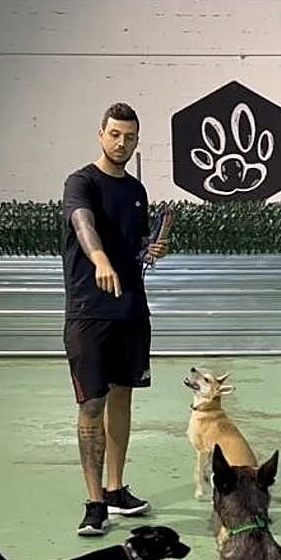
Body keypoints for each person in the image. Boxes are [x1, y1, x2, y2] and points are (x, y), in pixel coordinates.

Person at [60, 102, 169, 536]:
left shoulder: (137, 190)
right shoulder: (81, 183)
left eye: (130, 137)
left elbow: (135, 244)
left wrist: (149, 249)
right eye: (115, 134)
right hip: (90, 314)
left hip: (131, 312)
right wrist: (100, 259)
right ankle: (94, 504)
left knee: (123, 398)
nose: (122, 143)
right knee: (92, 404)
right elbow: (83, 224)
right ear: (101, 134)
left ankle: (115, 490)